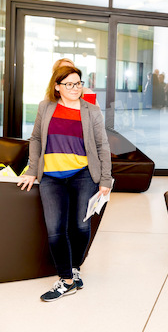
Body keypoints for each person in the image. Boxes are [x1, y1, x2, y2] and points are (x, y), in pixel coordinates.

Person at [17, 64, 112, 302]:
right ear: (57, 87)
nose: (74, 88)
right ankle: (66, 279)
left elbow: (102, 146)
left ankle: (75, 268)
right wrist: (31, 169)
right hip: (51, 177)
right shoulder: (45, 107)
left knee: (80, 227)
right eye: (68, 84)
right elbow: (37, 138)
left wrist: (106, 179)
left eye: (78, 83)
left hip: (82, 174)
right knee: (55, 229)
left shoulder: (91, 111)